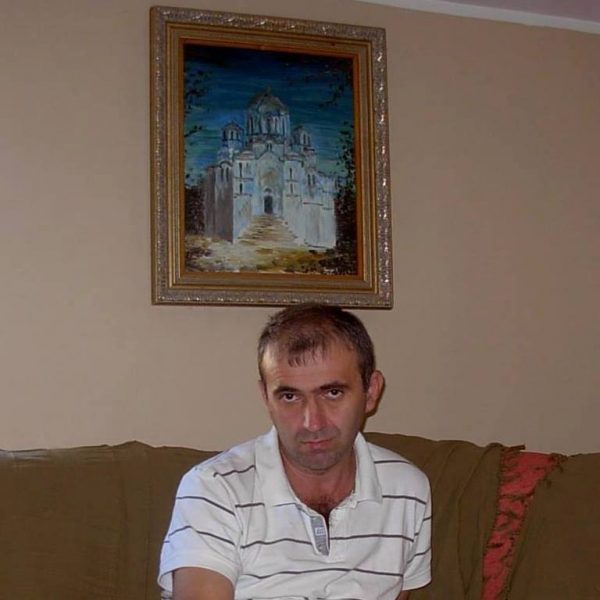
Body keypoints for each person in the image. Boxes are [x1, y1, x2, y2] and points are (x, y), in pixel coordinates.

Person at [159, 304, 431, 600]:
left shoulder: (407, 490)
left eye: (333, 393)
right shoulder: (214, 488)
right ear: (266, 397)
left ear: (371, 392)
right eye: (289, 396)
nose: (312, 423)